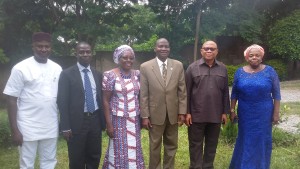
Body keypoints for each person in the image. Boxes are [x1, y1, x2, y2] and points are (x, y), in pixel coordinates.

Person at [3, 32, 62, 168]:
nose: (43, 49)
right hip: (27, 125)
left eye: (46, 46)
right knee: (27, 163)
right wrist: (15, 130)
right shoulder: (20, 68)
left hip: (50, 124)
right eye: (39, 46)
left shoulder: (57, 68)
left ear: (50, 47)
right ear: (33, 47)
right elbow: (11, 99)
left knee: (49, 161)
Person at [229, 44, 281, 169]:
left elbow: (277, 94)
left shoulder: (270, 71)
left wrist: (276, 113)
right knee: (245, 138)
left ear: (261, 57)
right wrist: (231, 110)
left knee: (261, 139)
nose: (254, 57)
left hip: (264, 112)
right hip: (245, 112)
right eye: (251, 55)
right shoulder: (239, 72)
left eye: (257, 55)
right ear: (247, 57)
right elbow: (235, 93)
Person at [140, 38, 187, 169]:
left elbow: (182, 91)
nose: (164, 49)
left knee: (172, 145)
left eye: (166, 46)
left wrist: (182, 112)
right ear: (155, 48)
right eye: (160, 46)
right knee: (154, 145)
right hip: (154, 114)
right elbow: (143, 94)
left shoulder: (178, 65)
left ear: (169, 48)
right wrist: (145, 116)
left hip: (173, 113)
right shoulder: (145, 67)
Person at [57, 42, 105, 169]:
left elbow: (100, 98)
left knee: (94, 155)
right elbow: (62, 101)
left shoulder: (97, 74)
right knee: (76, 158)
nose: (85, 54)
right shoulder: (67, 74)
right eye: (82, 52)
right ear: (75, 54)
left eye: (88, 52)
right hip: (76, 122)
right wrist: (65, 127)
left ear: (92, 54)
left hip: (95, 120)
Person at [185, 40, 230, 169]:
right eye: (206, 48)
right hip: (196, 114)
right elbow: (186, 92)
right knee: (195, 144)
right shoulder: (192, 68)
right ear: (201, 51)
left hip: (215, 115)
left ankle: (208, 166)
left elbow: (225, 91)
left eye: (212, 49)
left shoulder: (222, 68)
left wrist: (224, 112)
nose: (209, 51)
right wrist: (187, 112)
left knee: (212, 144)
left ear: (217, 51)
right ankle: (195, 166)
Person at [102, 45, 145, 169]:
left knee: (134, 148)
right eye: (125, 58)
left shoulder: (137, 74)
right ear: (118, 58)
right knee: (117, 149)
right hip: (117, 120)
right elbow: (105, 100)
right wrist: (109, 124)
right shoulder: (109, 75)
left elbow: (140, 96)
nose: (128, 60)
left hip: (134, 119)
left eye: (131, 58)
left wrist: (142, 117)